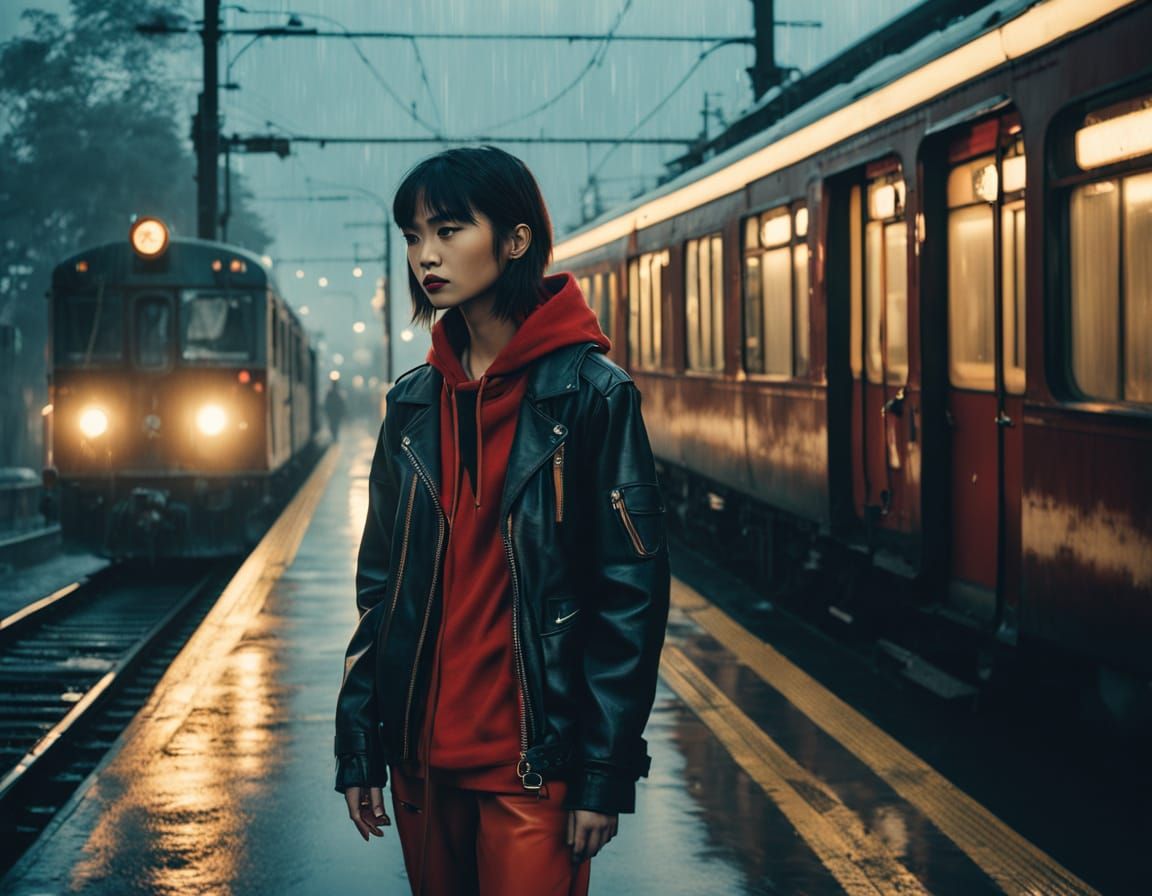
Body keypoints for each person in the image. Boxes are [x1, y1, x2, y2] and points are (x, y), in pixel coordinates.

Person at [333, 146, 670, 896]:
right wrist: (359, 745)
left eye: (449, 230)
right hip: (419, 766)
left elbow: (631, 598)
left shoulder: (593, 396)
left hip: (534, 768)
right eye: (414, 236)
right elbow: (379, 593)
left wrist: (603, 771)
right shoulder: (411, 405)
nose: (426, 255)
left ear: (516, 240)